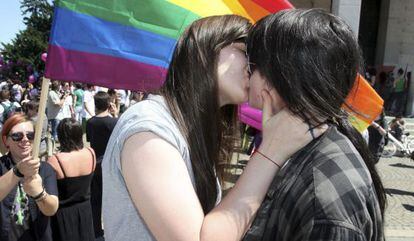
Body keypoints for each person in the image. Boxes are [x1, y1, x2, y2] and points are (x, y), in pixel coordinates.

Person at [102, 15, 324, 241]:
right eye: (245, 52)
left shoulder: (190, 130)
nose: (254, 68)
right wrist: (271, 152)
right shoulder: (149, 128)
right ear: (204, 50)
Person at [242, 9, 385, 241]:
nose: (246, 74)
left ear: (280, 76)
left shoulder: (324, 199)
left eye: (251, 65)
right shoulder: (304, 147)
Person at [0, 114, 58, 241]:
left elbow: (52, 209)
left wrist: (39, 194)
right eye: (17, 136)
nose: (25, 139)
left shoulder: (45, 169)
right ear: (6, 141)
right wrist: (18, 172)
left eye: (30, 135)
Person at [47, 118, 95, 241]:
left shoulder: (55, 160)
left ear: (61, 136)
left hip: (64, 214)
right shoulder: (91, 153)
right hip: (85, 210)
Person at [86, 91, 118, 239]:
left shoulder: (91, 122)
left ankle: (96, 229)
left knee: (95, 198)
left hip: (94, 162)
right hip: (109, 163)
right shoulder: (112, 122)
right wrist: (115, 114)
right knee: (111, 198)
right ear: (109, 104)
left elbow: (89, 139)